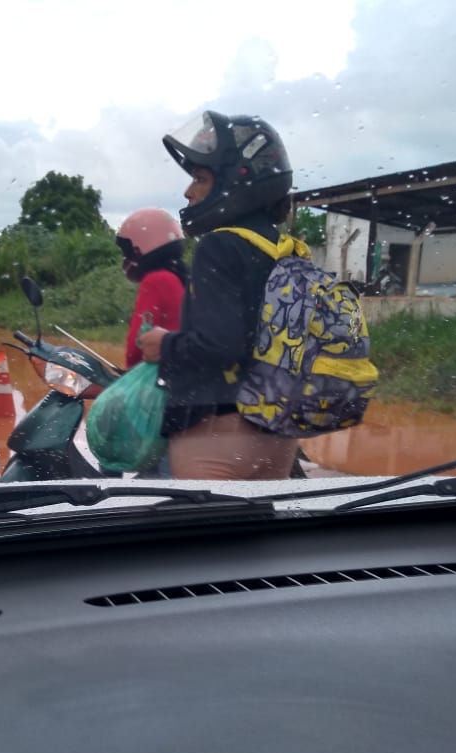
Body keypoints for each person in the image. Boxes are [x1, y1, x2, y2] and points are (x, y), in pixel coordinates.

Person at [137, 110, 300, 480]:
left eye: (200, 178)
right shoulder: (282, 248)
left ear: (234, 183)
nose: (188, 192)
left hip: (220, 429)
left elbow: (220, 344)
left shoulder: (219, 245)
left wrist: (164, 344)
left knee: (205, 520)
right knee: (258, 520)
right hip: (280, 428)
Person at [115, 207, 187, 370]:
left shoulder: (156, 280)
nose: (126, 257)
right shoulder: (182, 276)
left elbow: (135, 349)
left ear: (139, 248)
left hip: (163, 374)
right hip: (186, 369)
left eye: (127, 251)